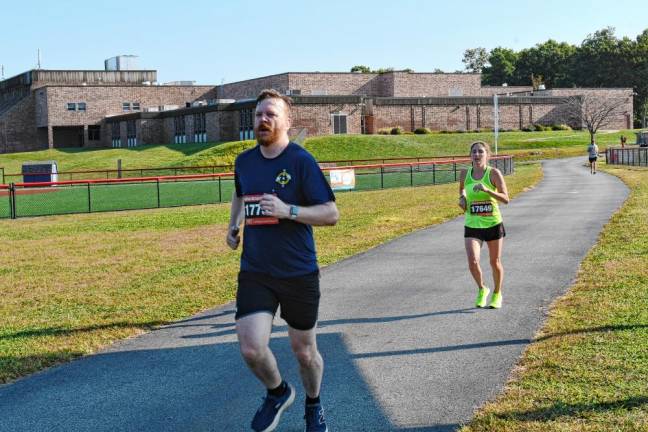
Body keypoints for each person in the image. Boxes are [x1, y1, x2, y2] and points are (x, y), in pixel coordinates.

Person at [226, 89, 339, 432]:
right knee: (250, 348)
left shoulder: (301, 161)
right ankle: (277, 392)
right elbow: (240, 192)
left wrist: (288, 210)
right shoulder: (244, 161)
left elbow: (331, 213)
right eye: (259, 114)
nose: (263, 119)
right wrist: (233, 225)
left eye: (271, 114)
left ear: (287, 121)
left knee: (304, 352)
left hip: (298, 272)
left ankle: (313, 403)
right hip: (256, 270)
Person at [458, 141, 510, 309]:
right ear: (470, 155)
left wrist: (488, 191)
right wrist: (462, 200)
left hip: (493, 224)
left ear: (487, 155)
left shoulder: (493, 173)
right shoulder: (465, 174)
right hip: (473, 224)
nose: (477, 154)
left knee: (494, 262)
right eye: (474, 151)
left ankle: (497, 293)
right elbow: (462, 192)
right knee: (473, 261)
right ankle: (482, 289)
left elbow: (506, 199)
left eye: (481, 152)